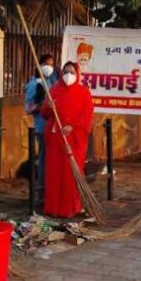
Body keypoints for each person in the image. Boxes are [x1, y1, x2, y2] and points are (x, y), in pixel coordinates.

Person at [41, 61, 94, 218]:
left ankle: (72, 207)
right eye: (65, 72)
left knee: (71, 175)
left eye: (71, 72)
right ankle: (53, 208)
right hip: (56, 139)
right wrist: (48, 106)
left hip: (74, 141)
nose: (68, 75)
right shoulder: (54, 90)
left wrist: (73, 126)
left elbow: (87, 115)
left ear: (77, 74)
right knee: (55, 174)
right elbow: (44, 113)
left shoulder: (83, 92)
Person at [25, 54, 57, 207]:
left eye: (51, 64)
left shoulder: (51, 81)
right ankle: (41, 190)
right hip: (41, 127)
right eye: (45, 63)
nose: (48, 66)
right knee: (43, 159)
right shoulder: (35, 84)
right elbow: (29, 108)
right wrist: (44, 106)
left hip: (53, 128)